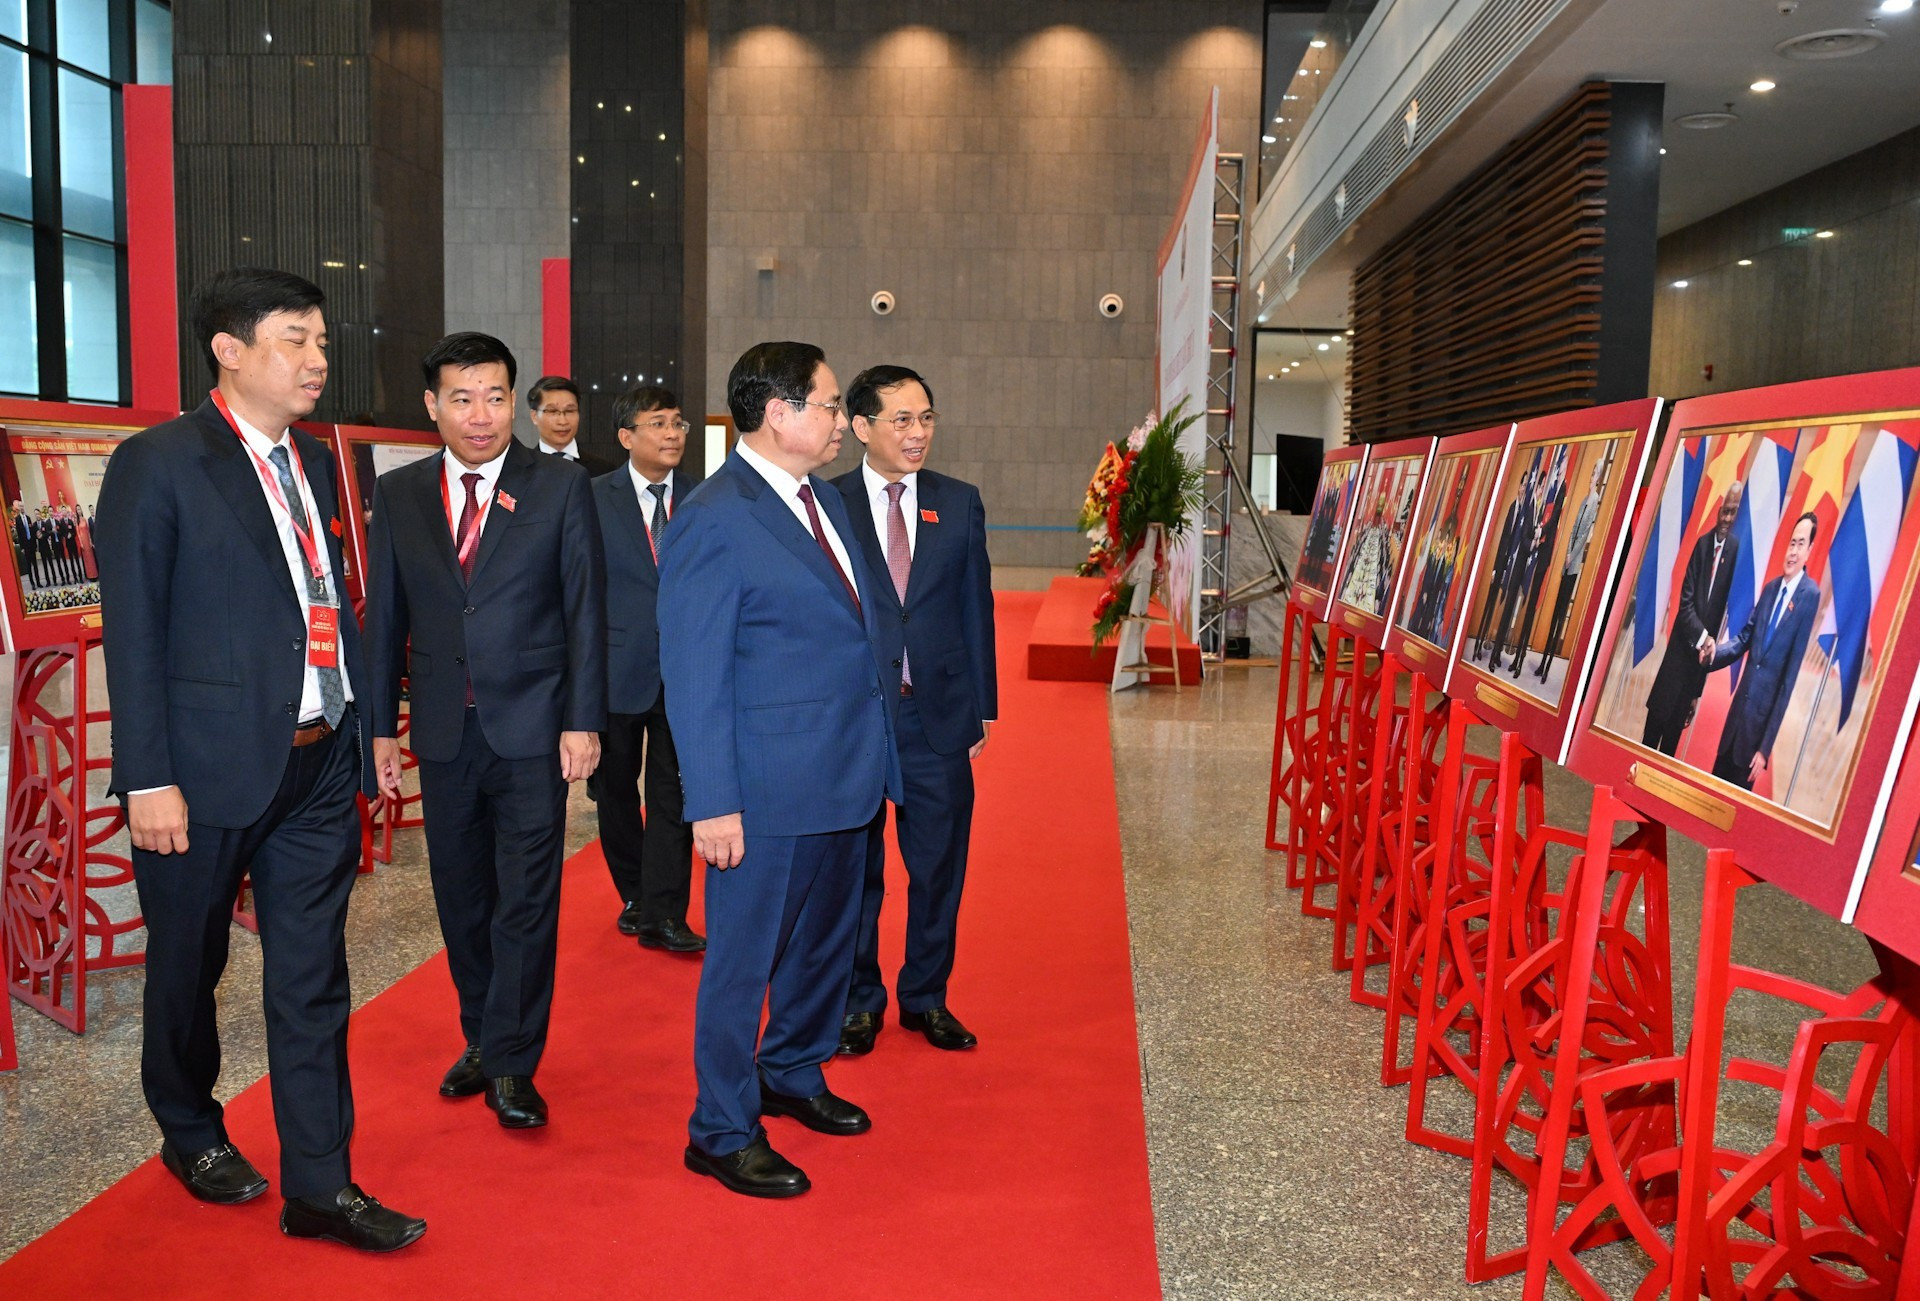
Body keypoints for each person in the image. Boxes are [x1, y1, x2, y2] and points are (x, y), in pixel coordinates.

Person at [95, 266, 425, 1252]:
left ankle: (320, 1182)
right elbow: (135, 631)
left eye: (322, 341)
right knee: (186, 965)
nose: (318, 360)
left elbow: (328, 604)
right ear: (228, 349)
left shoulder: (314, 463)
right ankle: (188, 1125)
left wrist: (373, 726)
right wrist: (147, 774)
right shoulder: (160, 462)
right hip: (199, 772)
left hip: (318, 760)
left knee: (313, 970)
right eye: (296, 339)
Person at [658, 340, 900, 1198]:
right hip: (762, 791)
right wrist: (712, 803)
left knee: (827, 945)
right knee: (743, 961)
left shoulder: (823, 501)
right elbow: (692, 672)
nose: (842, 420)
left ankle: (792, 1068)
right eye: (831, 405)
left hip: (845, 775)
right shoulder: (714, 516)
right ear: (778, 412)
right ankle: (720, 1126)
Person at [365, 332, 607, 1131]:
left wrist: (582, 718)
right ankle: (483, 1032)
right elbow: (384, 621)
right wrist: (379, 729)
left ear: (516, 400)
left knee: (528, 898)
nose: (481, 414)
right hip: (441, 729)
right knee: (462, 898)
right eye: (462, 398)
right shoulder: (400, 495)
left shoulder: (560, 487)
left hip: (534, 728)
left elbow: (584, 611)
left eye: (496, 396)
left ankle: (511, 1060)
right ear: (432, 405)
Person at [831, 365, 996, 1058]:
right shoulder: (826, 501)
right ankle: (857, 1000)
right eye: (901, 419)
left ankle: (926, 995)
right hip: (858, 719)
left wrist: (983, 707)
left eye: (925, 417)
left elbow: (974, 607)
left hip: (936, 715)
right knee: (854, 869)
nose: (918, 432)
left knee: (937, 866)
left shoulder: (958, 502)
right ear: (862, 427)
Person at [593, 383, 703, 952]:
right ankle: (634, 891)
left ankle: (666, 911)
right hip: (614, 671)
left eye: (678, 423)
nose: (672, 434)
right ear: (626, 436)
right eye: (658, 423)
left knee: (674, 793)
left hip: (683, 671)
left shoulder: (704, 497)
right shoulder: (593, 498)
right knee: (613, 790)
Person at [1706, 511, 1820, 791]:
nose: (1793, 551)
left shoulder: (1810, 596)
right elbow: (1745, 638)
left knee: (1732, 816)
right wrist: (1713, 653)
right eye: (1791, 543)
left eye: (1800, 544)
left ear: (1809, 550)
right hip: (1734, 723)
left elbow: (1787, 681)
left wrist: (1765, 749)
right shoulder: (1770, 590)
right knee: (1710, 798)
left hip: (1754, 736)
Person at [1641, 484, 1742, 755]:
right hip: (1675, 663)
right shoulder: (1702, 545)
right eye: (1725, 512)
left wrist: (1697, 690)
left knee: (1668, 753)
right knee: (1649, 742)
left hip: (1692, 677)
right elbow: (1684, 606)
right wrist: (1705, 639)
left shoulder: (1733, 551)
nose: (1727, 519)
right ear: (1718, 510)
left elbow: (1718, 615)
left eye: (1733, 513)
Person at [1536, 461, 1604, 680]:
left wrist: (1571, 556)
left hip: (1573, 566)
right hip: (1567, 562)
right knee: (1555, 611)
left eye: (1594, 473)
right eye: (1592, 472)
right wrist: (1566, 552)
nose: (1591, 476)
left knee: (1561, 614)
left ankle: (1548, 667)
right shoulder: (1585, 499)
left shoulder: (1595, 501)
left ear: (1599, 477)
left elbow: (1584, 534)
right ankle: (1543, 662)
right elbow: (1574, 528)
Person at [527, 375, 619, 474]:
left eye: (570, 411)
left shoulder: (604, 470)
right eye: (552, 411)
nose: (563, 421)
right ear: (534, 416)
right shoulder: (522, 470)